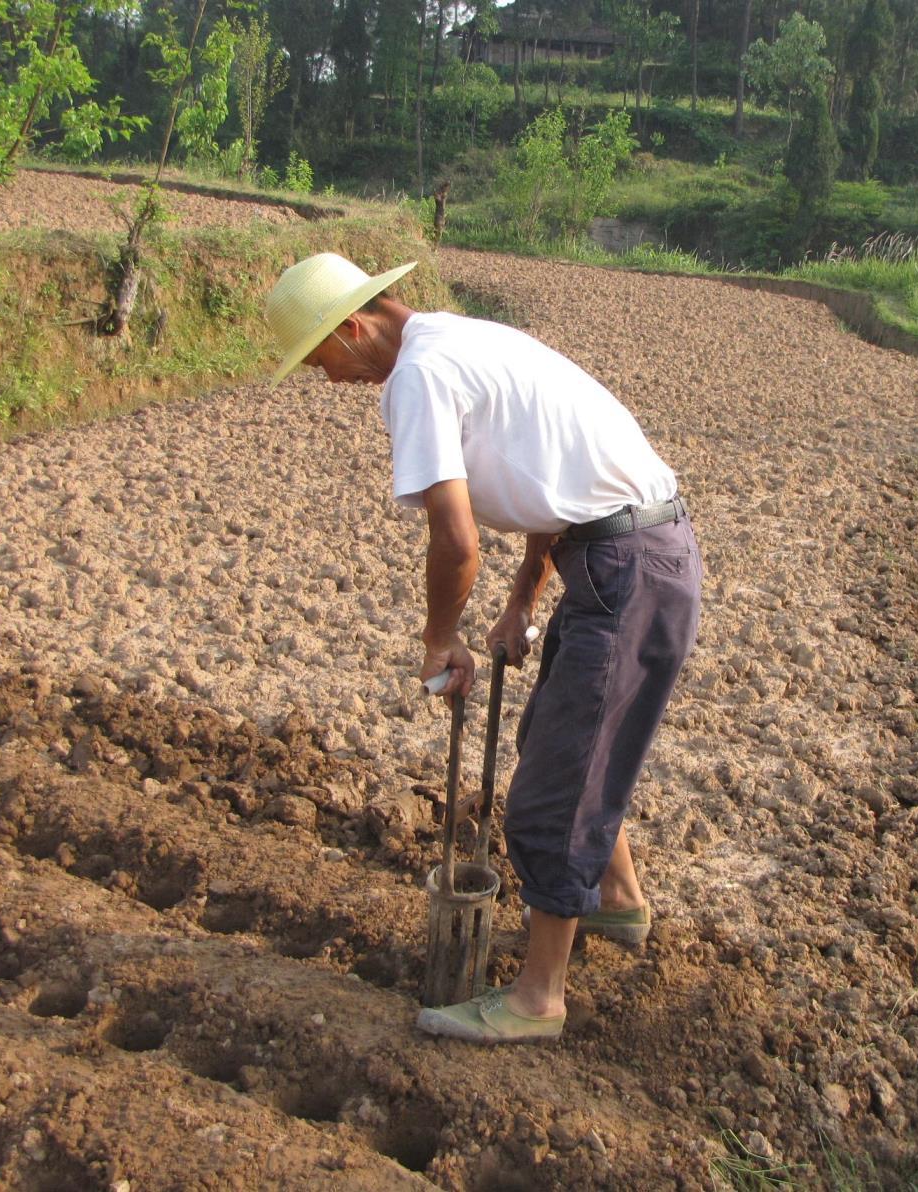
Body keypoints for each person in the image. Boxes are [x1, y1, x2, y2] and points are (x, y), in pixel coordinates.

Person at [266, 252, 701, 1044]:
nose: (329, 381)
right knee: (559, 742)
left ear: (354, 326)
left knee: (554, 789)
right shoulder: (461, 339)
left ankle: (539, 999)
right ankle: (619, 901)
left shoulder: (418, 377)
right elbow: (555, 478)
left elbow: (457, 538)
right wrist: (522, 599)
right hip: (629, 556)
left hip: (628, 566)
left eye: (322, 360)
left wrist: (440, 639)